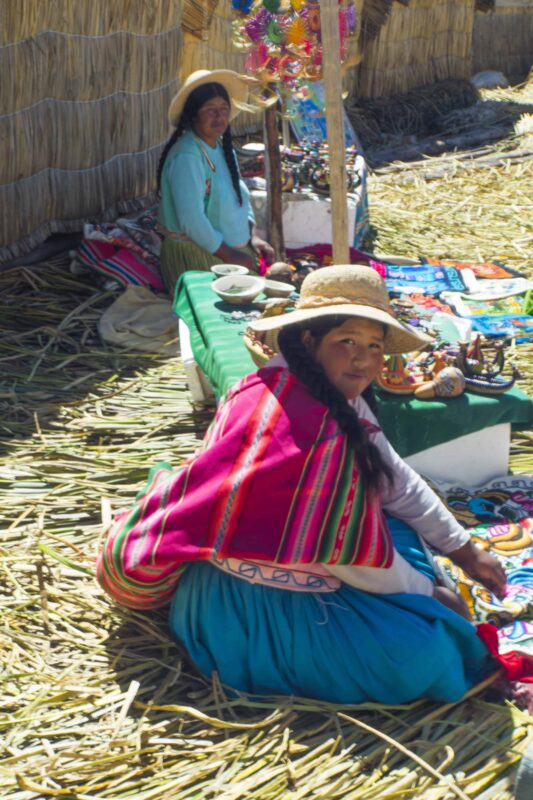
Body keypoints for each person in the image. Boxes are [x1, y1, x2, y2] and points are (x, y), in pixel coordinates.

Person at [97, 265, 507, 704]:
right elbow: (356, 562)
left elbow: (393, 479)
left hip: (291, 558)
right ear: (309, 340)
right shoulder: (310, 432)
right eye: (346, 342)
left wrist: (464, 549)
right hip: (247, 608)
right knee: (428, 653)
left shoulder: (306, 388)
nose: (363, 359)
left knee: (405, 536)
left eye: (374, 346)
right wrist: (433, 599)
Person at [156, 69, 274, 296]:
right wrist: (229, 255)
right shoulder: (187, 156)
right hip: (200, 254)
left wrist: (253, 237)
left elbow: (239, 194)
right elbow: (192, 220)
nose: (219, 117)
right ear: (193, 115)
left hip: (228, 252)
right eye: (210, 110)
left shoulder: (220, 146)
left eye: (223, 110)